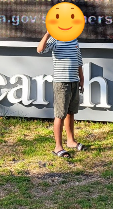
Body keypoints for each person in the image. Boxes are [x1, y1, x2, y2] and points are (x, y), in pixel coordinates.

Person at [36, 29, 85, 157]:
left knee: (70, 112)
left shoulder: (74, 39)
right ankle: (58, 147)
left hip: (74, 81)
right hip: (61, 83)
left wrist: (81, 78)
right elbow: (40, 50)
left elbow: (78, 60)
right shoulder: (55, 38)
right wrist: (48, 34)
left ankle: (71, 141)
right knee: (60, 114)